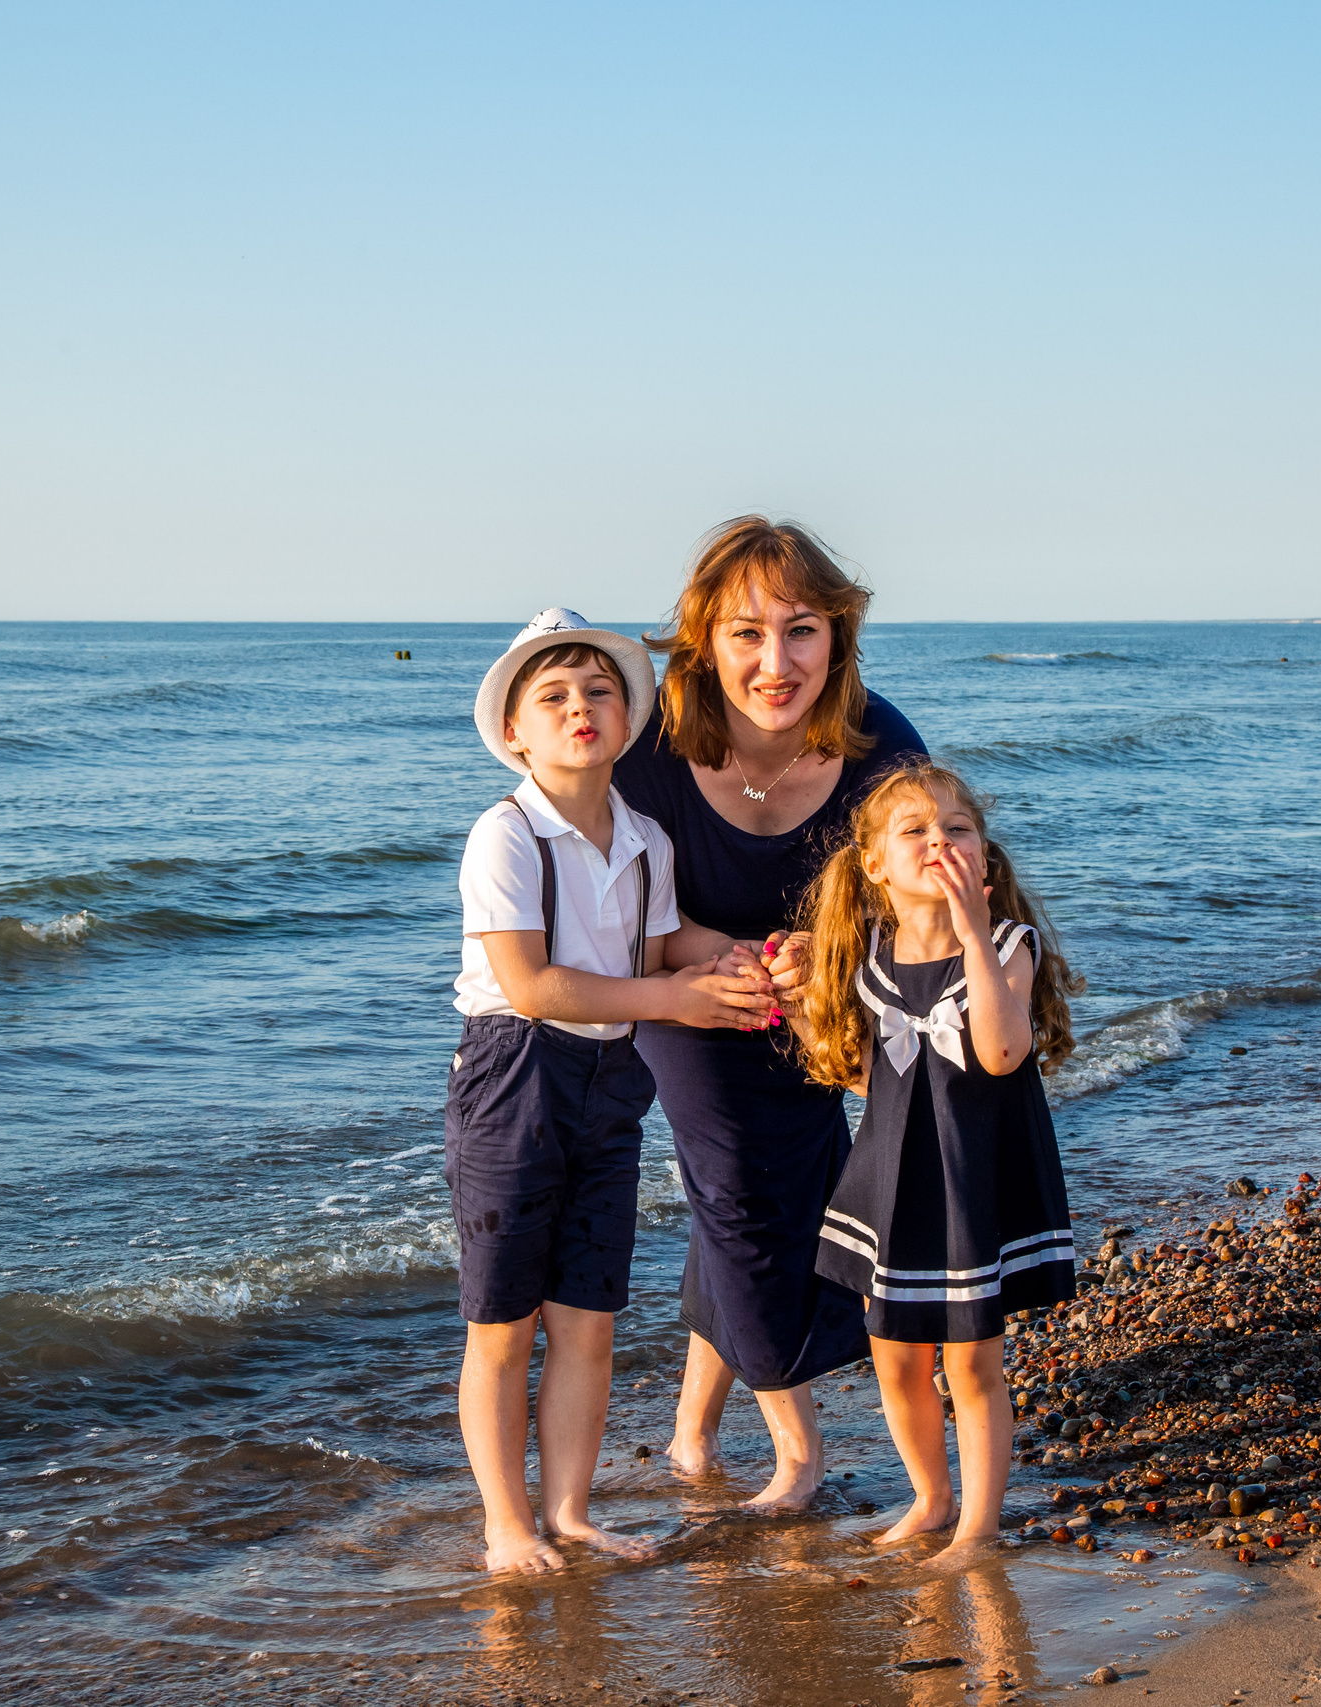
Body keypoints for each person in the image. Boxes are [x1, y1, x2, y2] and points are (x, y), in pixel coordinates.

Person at [446, 608, 775, 1574]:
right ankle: (508, 1526)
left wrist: (737, 958)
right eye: (552, 698)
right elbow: (533, 984)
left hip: (611, 1081)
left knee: (588, 1318)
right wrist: (672, 996)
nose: (579, 709)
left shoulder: (644, 837)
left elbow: (660, 940)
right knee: (502, 1323)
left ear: (628, 722)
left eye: (599, 693)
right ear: (517, 731)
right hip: (514, 1074)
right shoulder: (505, 836)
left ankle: (573, 1512)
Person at [612, 517, 928, 1510]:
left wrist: (830, 959)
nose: (773, 661)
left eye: (800, 630)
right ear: (705, 639)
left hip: (818, 1012)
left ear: (838, 635)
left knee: (737, 1204)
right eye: (745, 633)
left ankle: (691, 1436)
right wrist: (717, 958)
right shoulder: (648, 752)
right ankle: (800, 1450)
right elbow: (597, 906)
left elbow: (917, 897)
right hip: (681, 1002)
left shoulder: (882, 747)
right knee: (745, 1195)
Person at [786, 760, 1082, 1557]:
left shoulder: (1008, 944)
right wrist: (795, 1005)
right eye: (914, 830)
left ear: (983, 857)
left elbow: (1000, 1049)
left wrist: (973, 932)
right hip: (892, 1184)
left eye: (957, 828)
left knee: (974, 1363)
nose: (939, 842)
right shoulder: (868, 956)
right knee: (895, 1359)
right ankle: (930, 1497)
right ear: (875, 864)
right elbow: (856, 1075)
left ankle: (980, 1526)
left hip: (973, 1183)